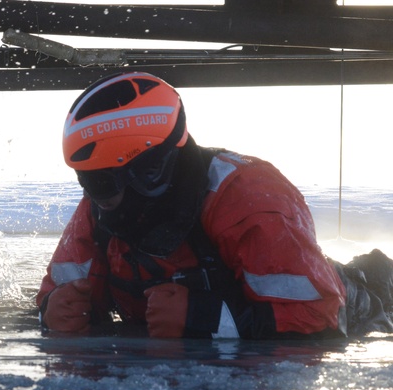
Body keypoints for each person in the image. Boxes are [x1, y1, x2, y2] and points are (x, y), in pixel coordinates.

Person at [37, 71, 393, 340]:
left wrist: (201, 318)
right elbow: (54, 292)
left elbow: (322, 316)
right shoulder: (99, 211)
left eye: (108, 183)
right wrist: (53, 309)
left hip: (364, 308)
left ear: (151, 170)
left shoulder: (248, 198)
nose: (107, 199)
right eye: (96, 183)